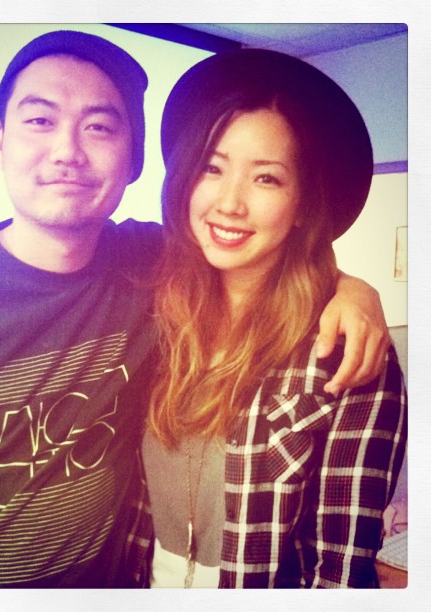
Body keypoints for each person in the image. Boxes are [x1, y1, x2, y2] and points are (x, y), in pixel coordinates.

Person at [0, 30, 389, 589]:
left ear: (133, 159)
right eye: (40, 120)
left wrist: (352, 289)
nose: (67, 151)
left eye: (99, 127)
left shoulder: (149, 267)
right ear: (1, 140)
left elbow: (258, 256)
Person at [140, 49, 407, 589]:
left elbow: (340, 571)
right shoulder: (150, 310)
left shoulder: (344, 355)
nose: (230, 203)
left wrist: (354, 288)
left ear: (304, 203)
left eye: (266, 179)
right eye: (212, 168)